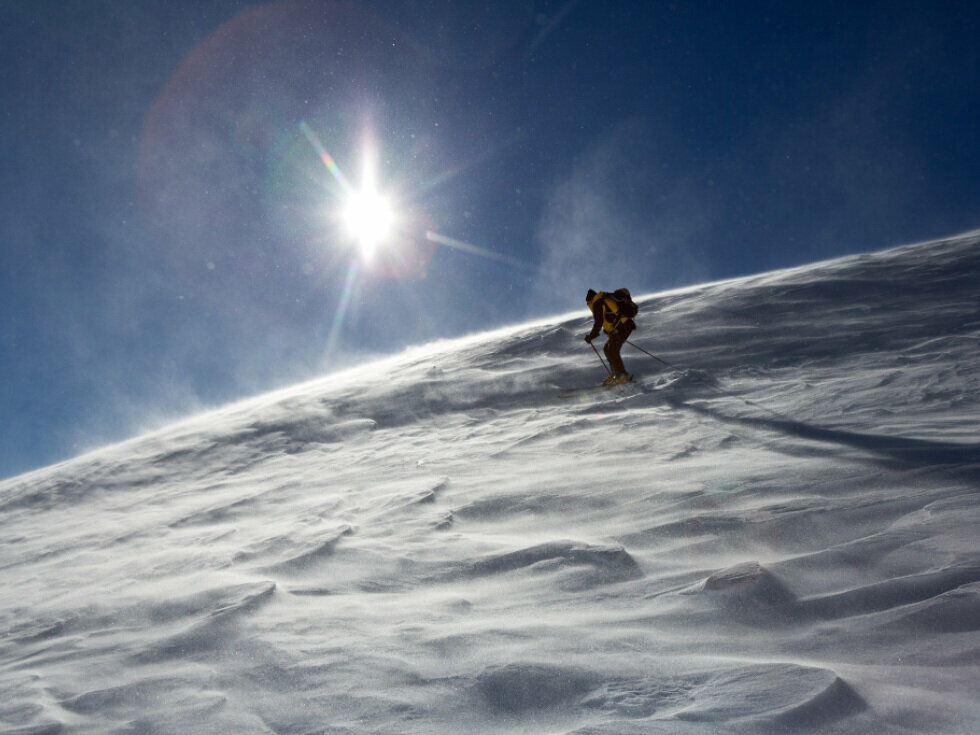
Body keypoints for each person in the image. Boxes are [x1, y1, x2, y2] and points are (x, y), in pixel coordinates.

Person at [585, 288, 637, 384]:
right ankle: (616, 374)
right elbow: (608, 319)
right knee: (607, 349)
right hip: (623, 327)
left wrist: (591, 336)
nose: (588, 305)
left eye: (587, 303)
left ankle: (621, 376)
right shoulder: (601, 300)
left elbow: (599, 322)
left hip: (624, 327)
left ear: (589, 301)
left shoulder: (597, 303)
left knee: (612, 350)